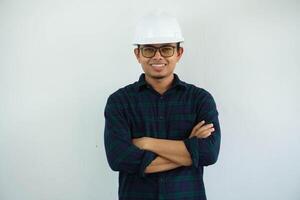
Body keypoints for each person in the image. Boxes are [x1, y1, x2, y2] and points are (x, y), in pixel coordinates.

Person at [104, 12, 221, 200]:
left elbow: (208, 154)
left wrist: (146, 143)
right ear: (138, 54)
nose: (157, 57)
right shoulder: (120, 102)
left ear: (179, 53)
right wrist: (189, 148)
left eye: (166, 49)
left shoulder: (200, 99)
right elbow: (119, 159)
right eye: (149, 50)